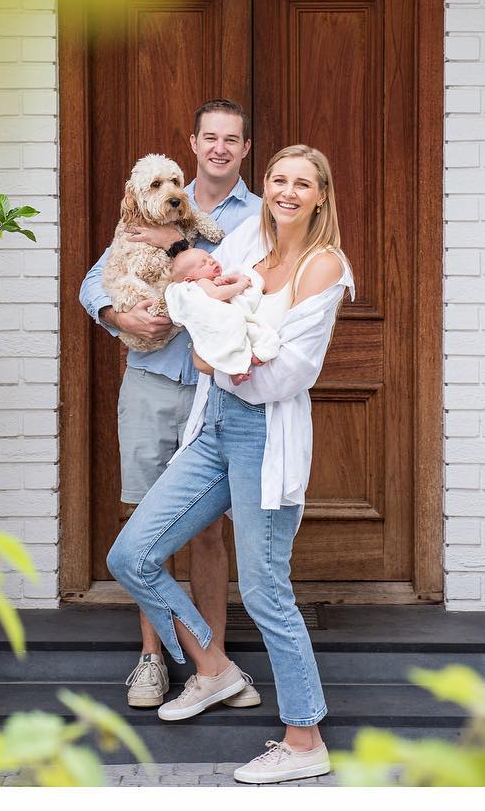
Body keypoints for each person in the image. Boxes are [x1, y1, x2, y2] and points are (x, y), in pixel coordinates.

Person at [106, 146, 354, 784]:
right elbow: (185, 276)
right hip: (211, 427)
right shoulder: (248, 242)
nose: (287, 192)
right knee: (131, 556)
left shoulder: (324, 265)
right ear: (263, 186)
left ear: (321, 195)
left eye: (303, 183)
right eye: (278, 179)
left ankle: (304, 739)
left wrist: (220, 361)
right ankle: (213, 667)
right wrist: (155, 245)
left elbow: (296, 370)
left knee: (267, 591)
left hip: (263, 438)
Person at [78, 99, 262, 709]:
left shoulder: (259, 217)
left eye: (231, 140)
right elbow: (92, 282)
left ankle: (211, 662)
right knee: (144, 525)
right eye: (209, 138)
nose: (219, 148)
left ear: (244, 149)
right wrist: (115, 313)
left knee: (207, 529)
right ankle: (152, 659)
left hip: (218, 393)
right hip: (153, 381)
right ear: (193, 143)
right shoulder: (147, 206)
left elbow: (244, 290)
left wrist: (178, 242)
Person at [163, 246, 280, 377]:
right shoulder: (201, 282)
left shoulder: (211, 281)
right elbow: (217, 294)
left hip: (221, 322)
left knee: (227, 342)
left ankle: (235, 373)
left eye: (210, 258)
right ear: (189, 279)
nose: (211, 262)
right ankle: (244, 362)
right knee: (233, 332)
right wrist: (239, 285)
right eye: (203, 264)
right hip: (219, 321)